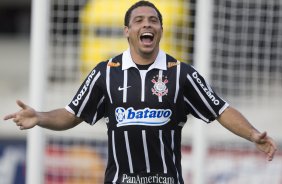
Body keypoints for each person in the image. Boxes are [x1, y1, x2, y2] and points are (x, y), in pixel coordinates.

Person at [3, 1, 277, 184]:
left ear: (160, 29)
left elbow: (220, 109)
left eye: (153, 20)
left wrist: (252, 134)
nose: (147, 24)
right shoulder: (105, 72)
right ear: (127, 31)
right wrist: (39, 116)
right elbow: (72, 114)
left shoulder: (182, 74)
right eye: (139, 20)